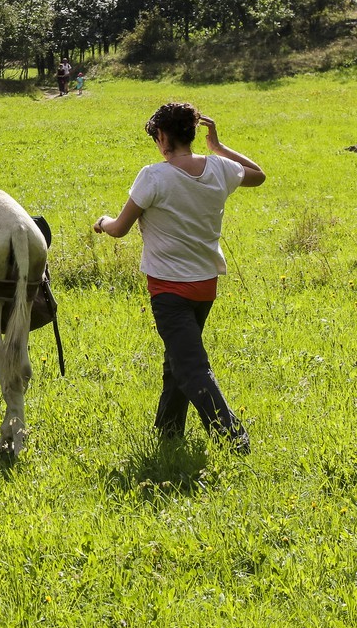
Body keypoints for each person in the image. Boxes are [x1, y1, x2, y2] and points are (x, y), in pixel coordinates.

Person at [92, 103, 265, 453]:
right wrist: (218, 147)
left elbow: (120, 229)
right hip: (205, 287)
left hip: (169, 289)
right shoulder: (220, 168)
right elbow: (257, 174)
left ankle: (235, 439)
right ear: (192, 133)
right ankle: (168, 432)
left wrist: (103, 221)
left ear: (162, 136)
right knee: (177, 360)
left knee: (190, 366)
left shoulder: (153, 176)